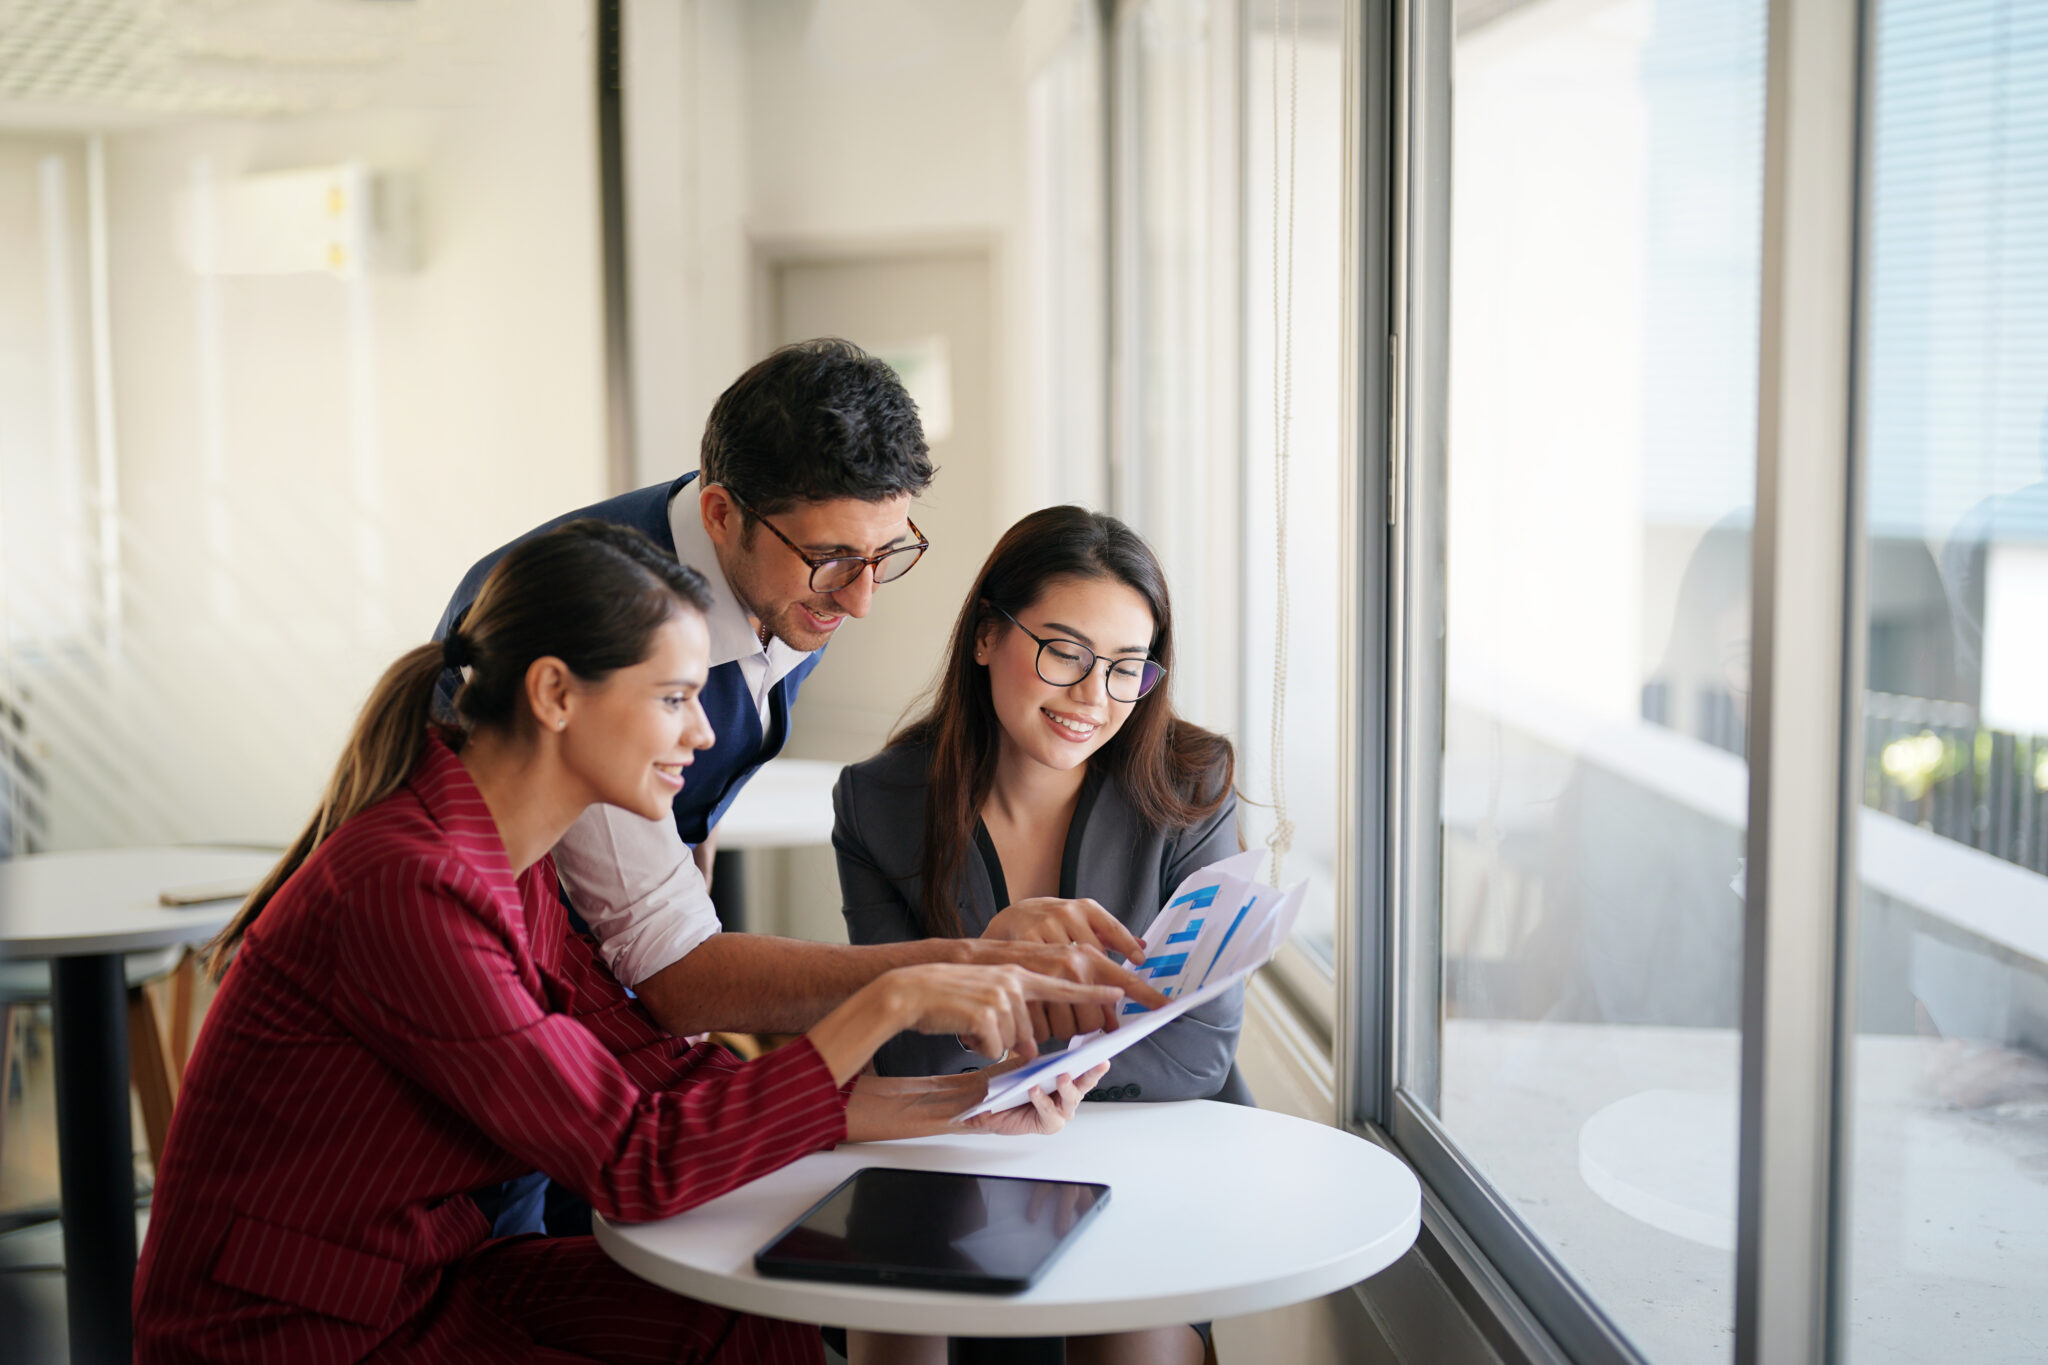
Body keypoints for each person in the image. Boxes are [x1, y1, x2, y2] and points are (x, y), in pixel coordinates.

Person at [134, 521, 1115, 1365]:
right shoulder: (410, 886)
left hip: (421, 1283)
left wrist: (954, 1103)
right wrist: (886, 1004)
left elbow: (654, 1074)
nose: (697, 737)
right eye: (671, 697)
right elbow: (634, 1161)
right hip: (297, 1329)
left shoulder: (512, 863)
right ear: (556, 695)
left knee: (747, 1320)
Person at [438, 340, 1160, 1235]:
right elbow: (671, 963)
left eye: (886, 555)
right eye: (833, 559)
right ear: (721, 514)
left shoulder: (792, 577)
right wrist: (951, 969)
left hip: (603, 998)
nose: (860, 600)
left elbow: (670, 868)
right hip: (488, 1018)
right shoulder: (600, 631)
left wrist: (958, 1088)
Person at [834, 506, 1246, 1365]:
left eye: (1126, 668)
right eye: (1064, 652)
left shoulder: (1189, 784)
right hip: (955, 1154)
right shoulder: (880, 802)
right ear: (987, 634)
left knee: (1131, 1328)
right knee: (893, 1318)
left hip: (1149, 1154)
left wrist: (996, 1026)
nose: (1094, 698)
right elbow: (903, 1057)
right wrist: (989, 953)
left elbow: (1197, 1051)